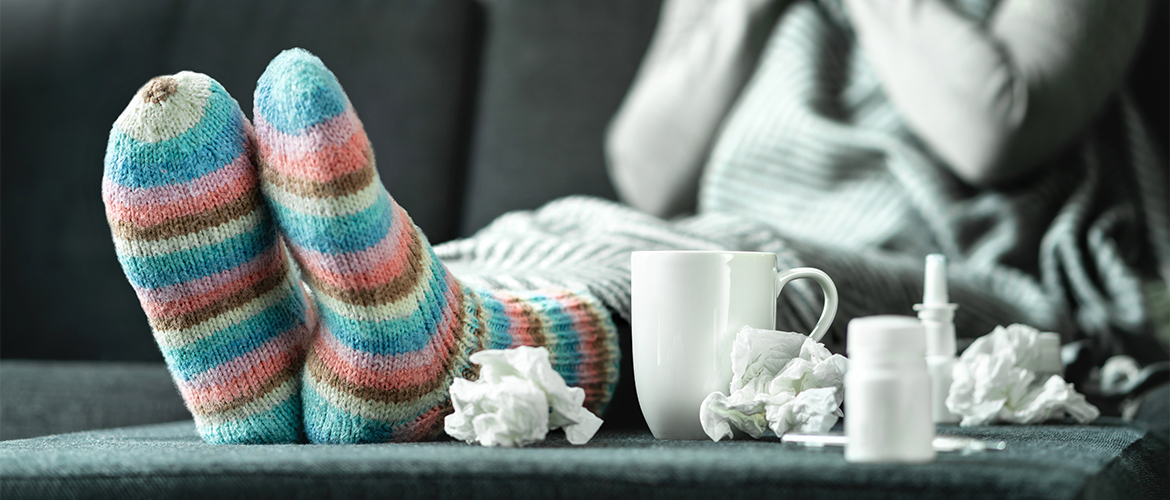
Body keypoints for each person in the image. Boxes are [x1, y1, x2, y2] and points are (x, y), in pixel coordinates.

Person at [102, 0, 1166, 445]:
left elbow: (999, 129)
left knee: (727, 264)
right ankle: (295, 371)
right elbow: (643, 166)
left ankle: (441, 353)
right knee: (556, 217)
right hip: (711, 232)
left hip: (948, 283)